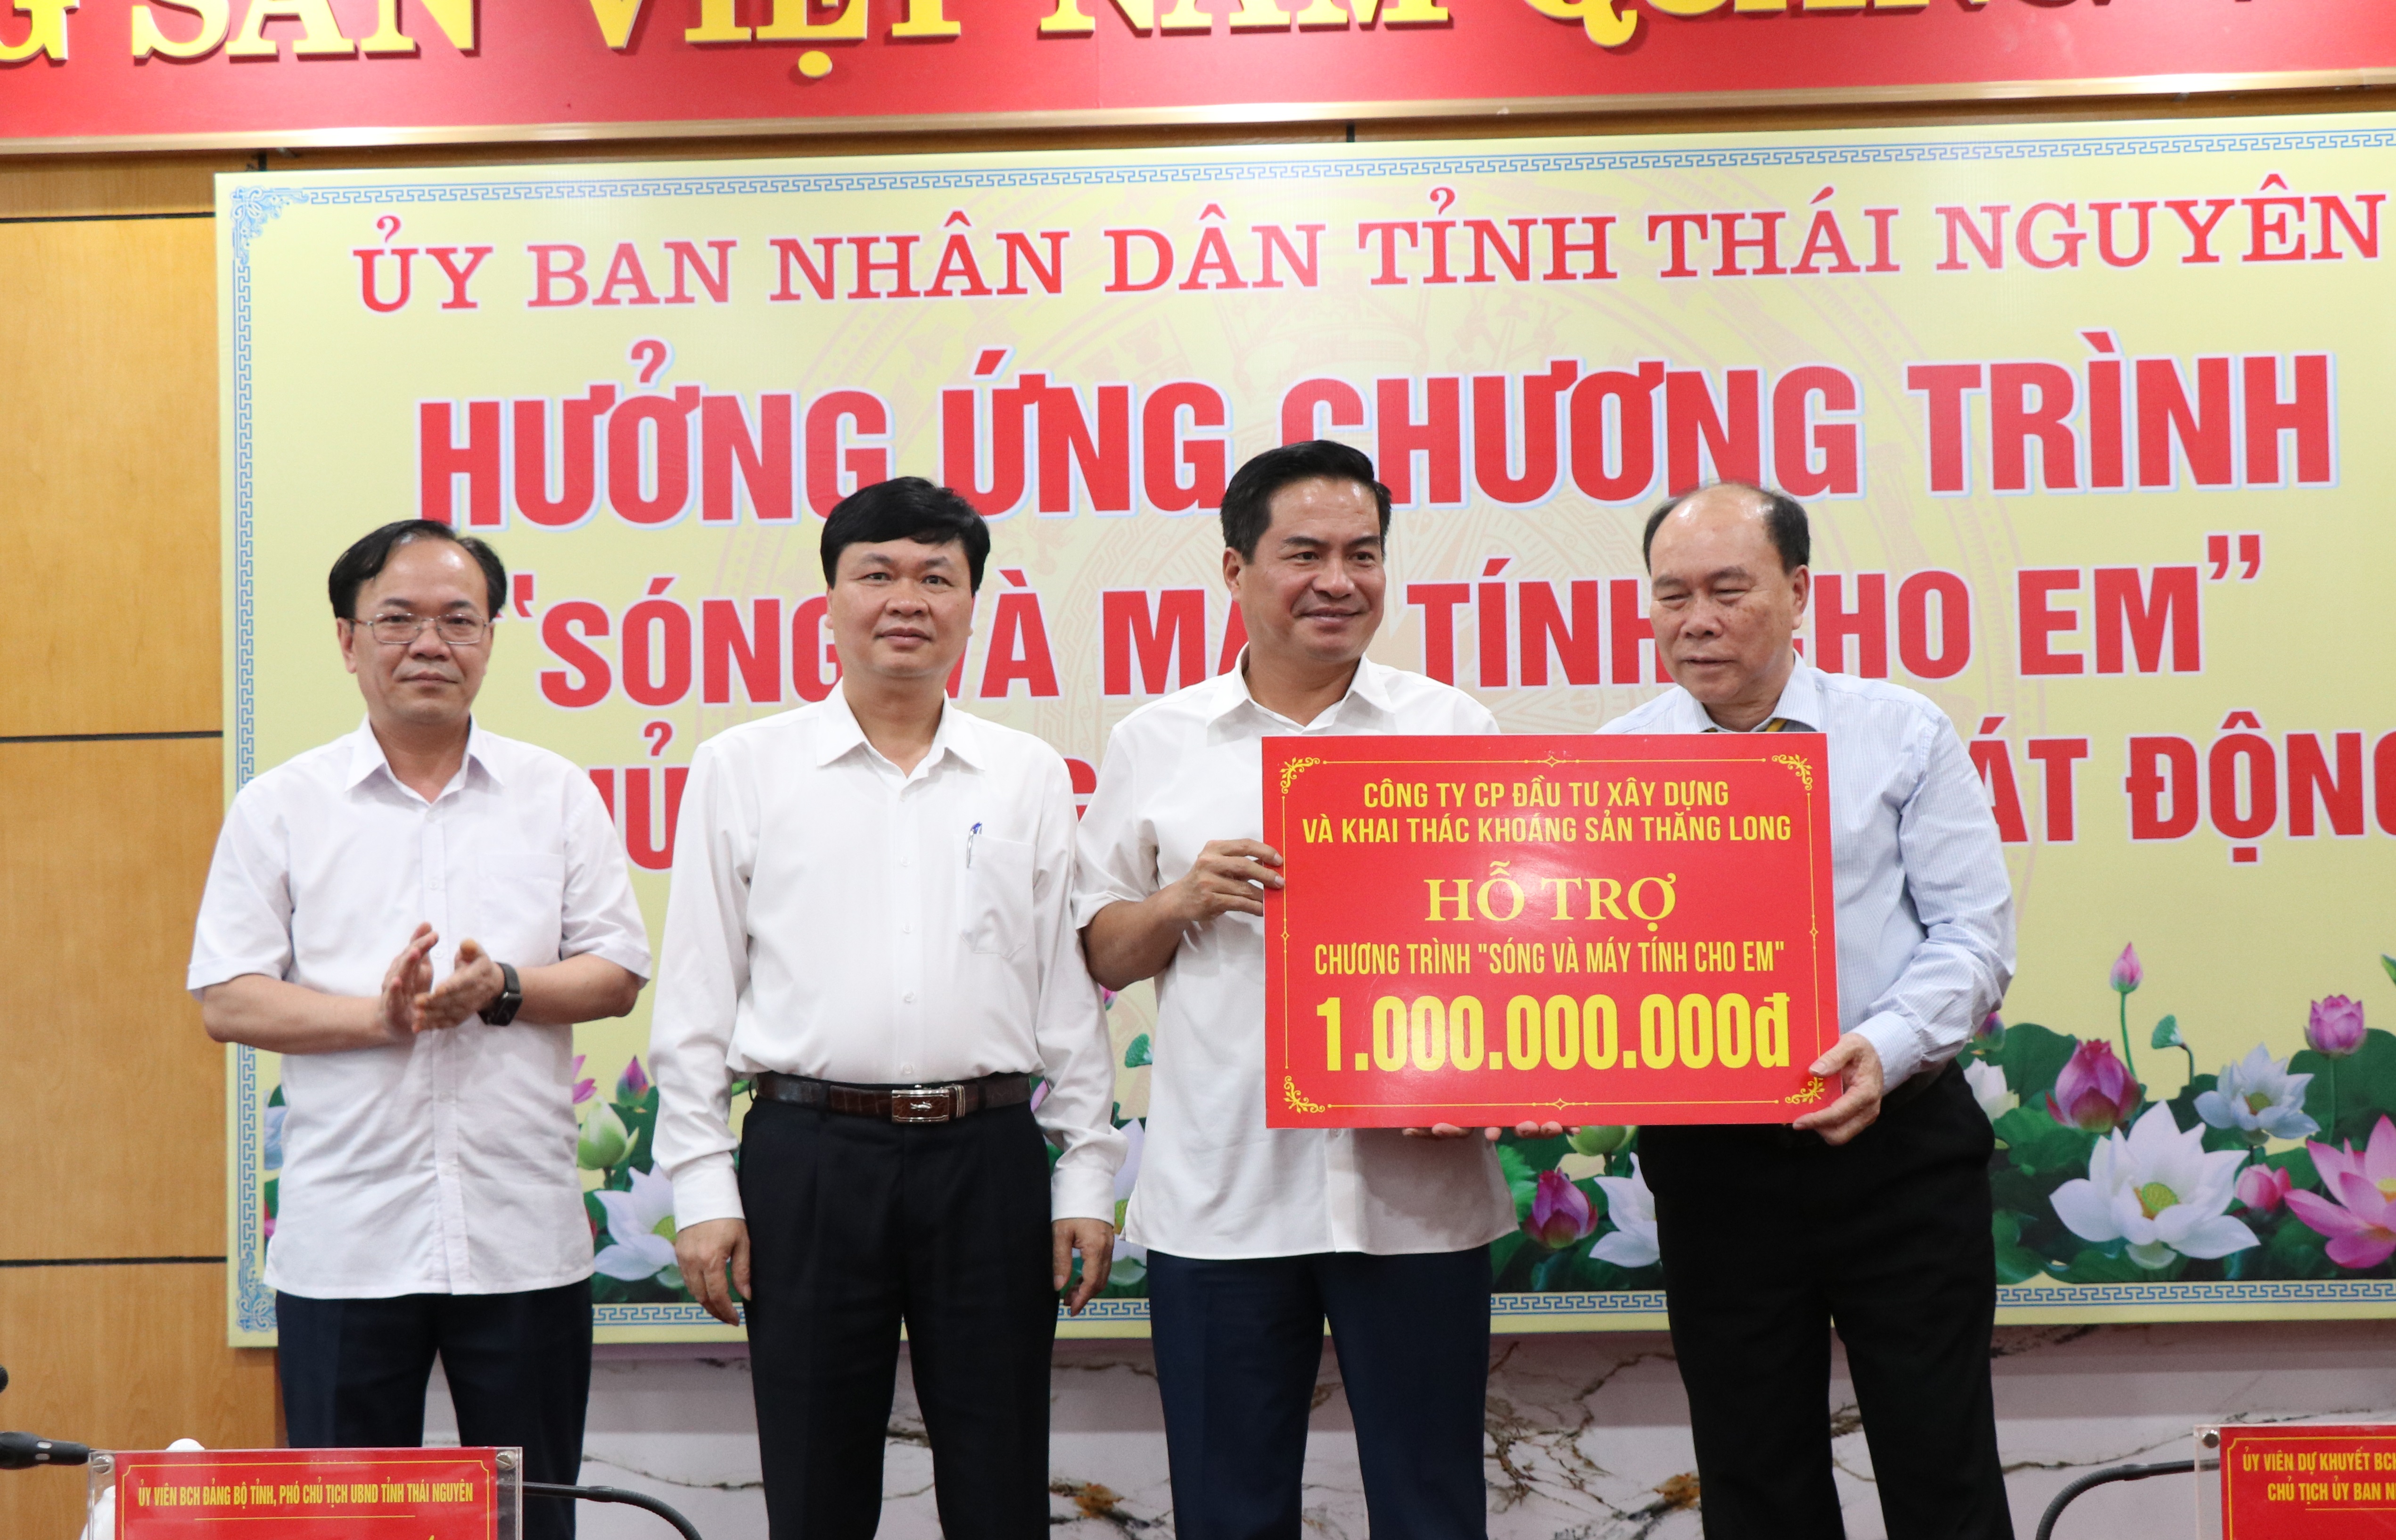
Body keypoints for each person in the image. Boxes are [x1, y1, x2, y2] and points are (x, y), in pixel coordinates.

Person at [650, 478, 1126, 1540]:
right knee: (815, 1485)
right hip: (809, 1159)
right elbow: (696, 995)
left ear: (972, 605)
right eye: (877, 574)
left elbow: (1063, 989)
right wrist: (701, 1185)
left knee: (1002, 1484)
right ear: (830, 600)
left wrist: (1087, 1171)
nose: (906, 599)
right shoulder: (743, 767)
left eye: (936, 578)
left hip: (988, 1157)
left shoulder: (1026, 772)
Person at [1076, 439, 1530, 1540]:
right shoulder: (1158, 740)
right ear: (1236, 570)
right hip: (1223, 1192)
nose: (1339, 580)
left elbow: (1518, 947)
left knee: (1433, 1509)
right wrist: (1181, 900)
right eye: (1306, 553)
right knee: (1228, 1512)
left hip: (1414, 1195)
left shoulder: (1451, 729)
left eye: (1363, 554)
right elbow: (1100, 950)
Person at [189, 520, 651, 1540]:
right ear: (348, 640)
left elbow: (617, 972)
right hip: (349, 1242)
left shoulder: (555, 793)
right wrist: (378, 1016)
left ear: (490, 638)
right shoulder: (282, 805)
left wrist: (503, 989)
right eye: (398, 619)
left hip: (521, 1239)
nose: (430, 643)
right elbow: (229, 997)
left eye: (459, 620)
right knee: (348, 1528)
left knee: (535, 1521)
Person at [1600, 482, 2017, 1540]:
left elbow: (1973, 936)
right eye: (1671, 595)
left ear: (1797, 592)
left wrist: (1880, 1047)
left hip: (1898, 1149)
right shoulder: (1614, 764)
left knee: (1942, 1468)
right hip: (1716, 1166)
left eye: (1727, 589)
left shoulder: (1899, 732)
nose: (1696, 620)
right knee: (1754, 1479)